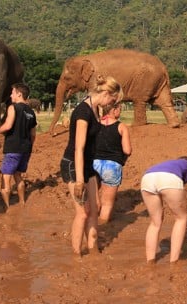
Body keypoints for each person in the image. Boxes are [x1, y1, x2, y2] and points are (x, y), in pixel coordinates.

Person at [60, 75, 121, 256]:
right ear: (106, 93)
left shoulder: (96, 110)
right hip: (73, 165)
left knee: (95, 208)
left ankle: (94, 251)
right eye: (113, 99)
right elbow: (78, 148)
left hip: (88, 165)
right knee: (83, 212)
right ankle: (76, 254)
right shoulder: (83, 112)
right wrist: (79, 181)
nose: (112, 103)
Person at [0, 83, 38, 210]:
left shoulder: (13, 107)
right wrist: (28, 146)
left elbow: (8, 126)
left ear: (19, 94)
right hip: (26, 149)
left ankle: (7, 208)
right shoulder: (31, 112)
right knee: (18, 175)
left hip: (13, 148)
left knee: (5, 177)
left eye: (12, 92)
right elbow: (33, 134)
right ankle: (22, 202)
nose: (11, 95)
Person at [141, 156, 187, 265]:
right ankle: (173, 262)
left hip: (147, 177)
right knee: (181, 218)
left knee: (155, 223)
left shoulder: (171, 163)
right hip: (169, 178)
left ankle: (150, 261)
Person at [93, 101, 130, 224]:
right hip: (112, 166)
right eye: (119, 109)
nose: (120, 111)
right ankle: (103, 229)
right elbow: (127, 150)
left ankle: (91, 226)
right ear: (114, 110)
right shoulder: (121, 126)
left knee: (93, 199)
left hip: (94, 164)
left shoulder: (95, 124)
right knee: (107, 203)